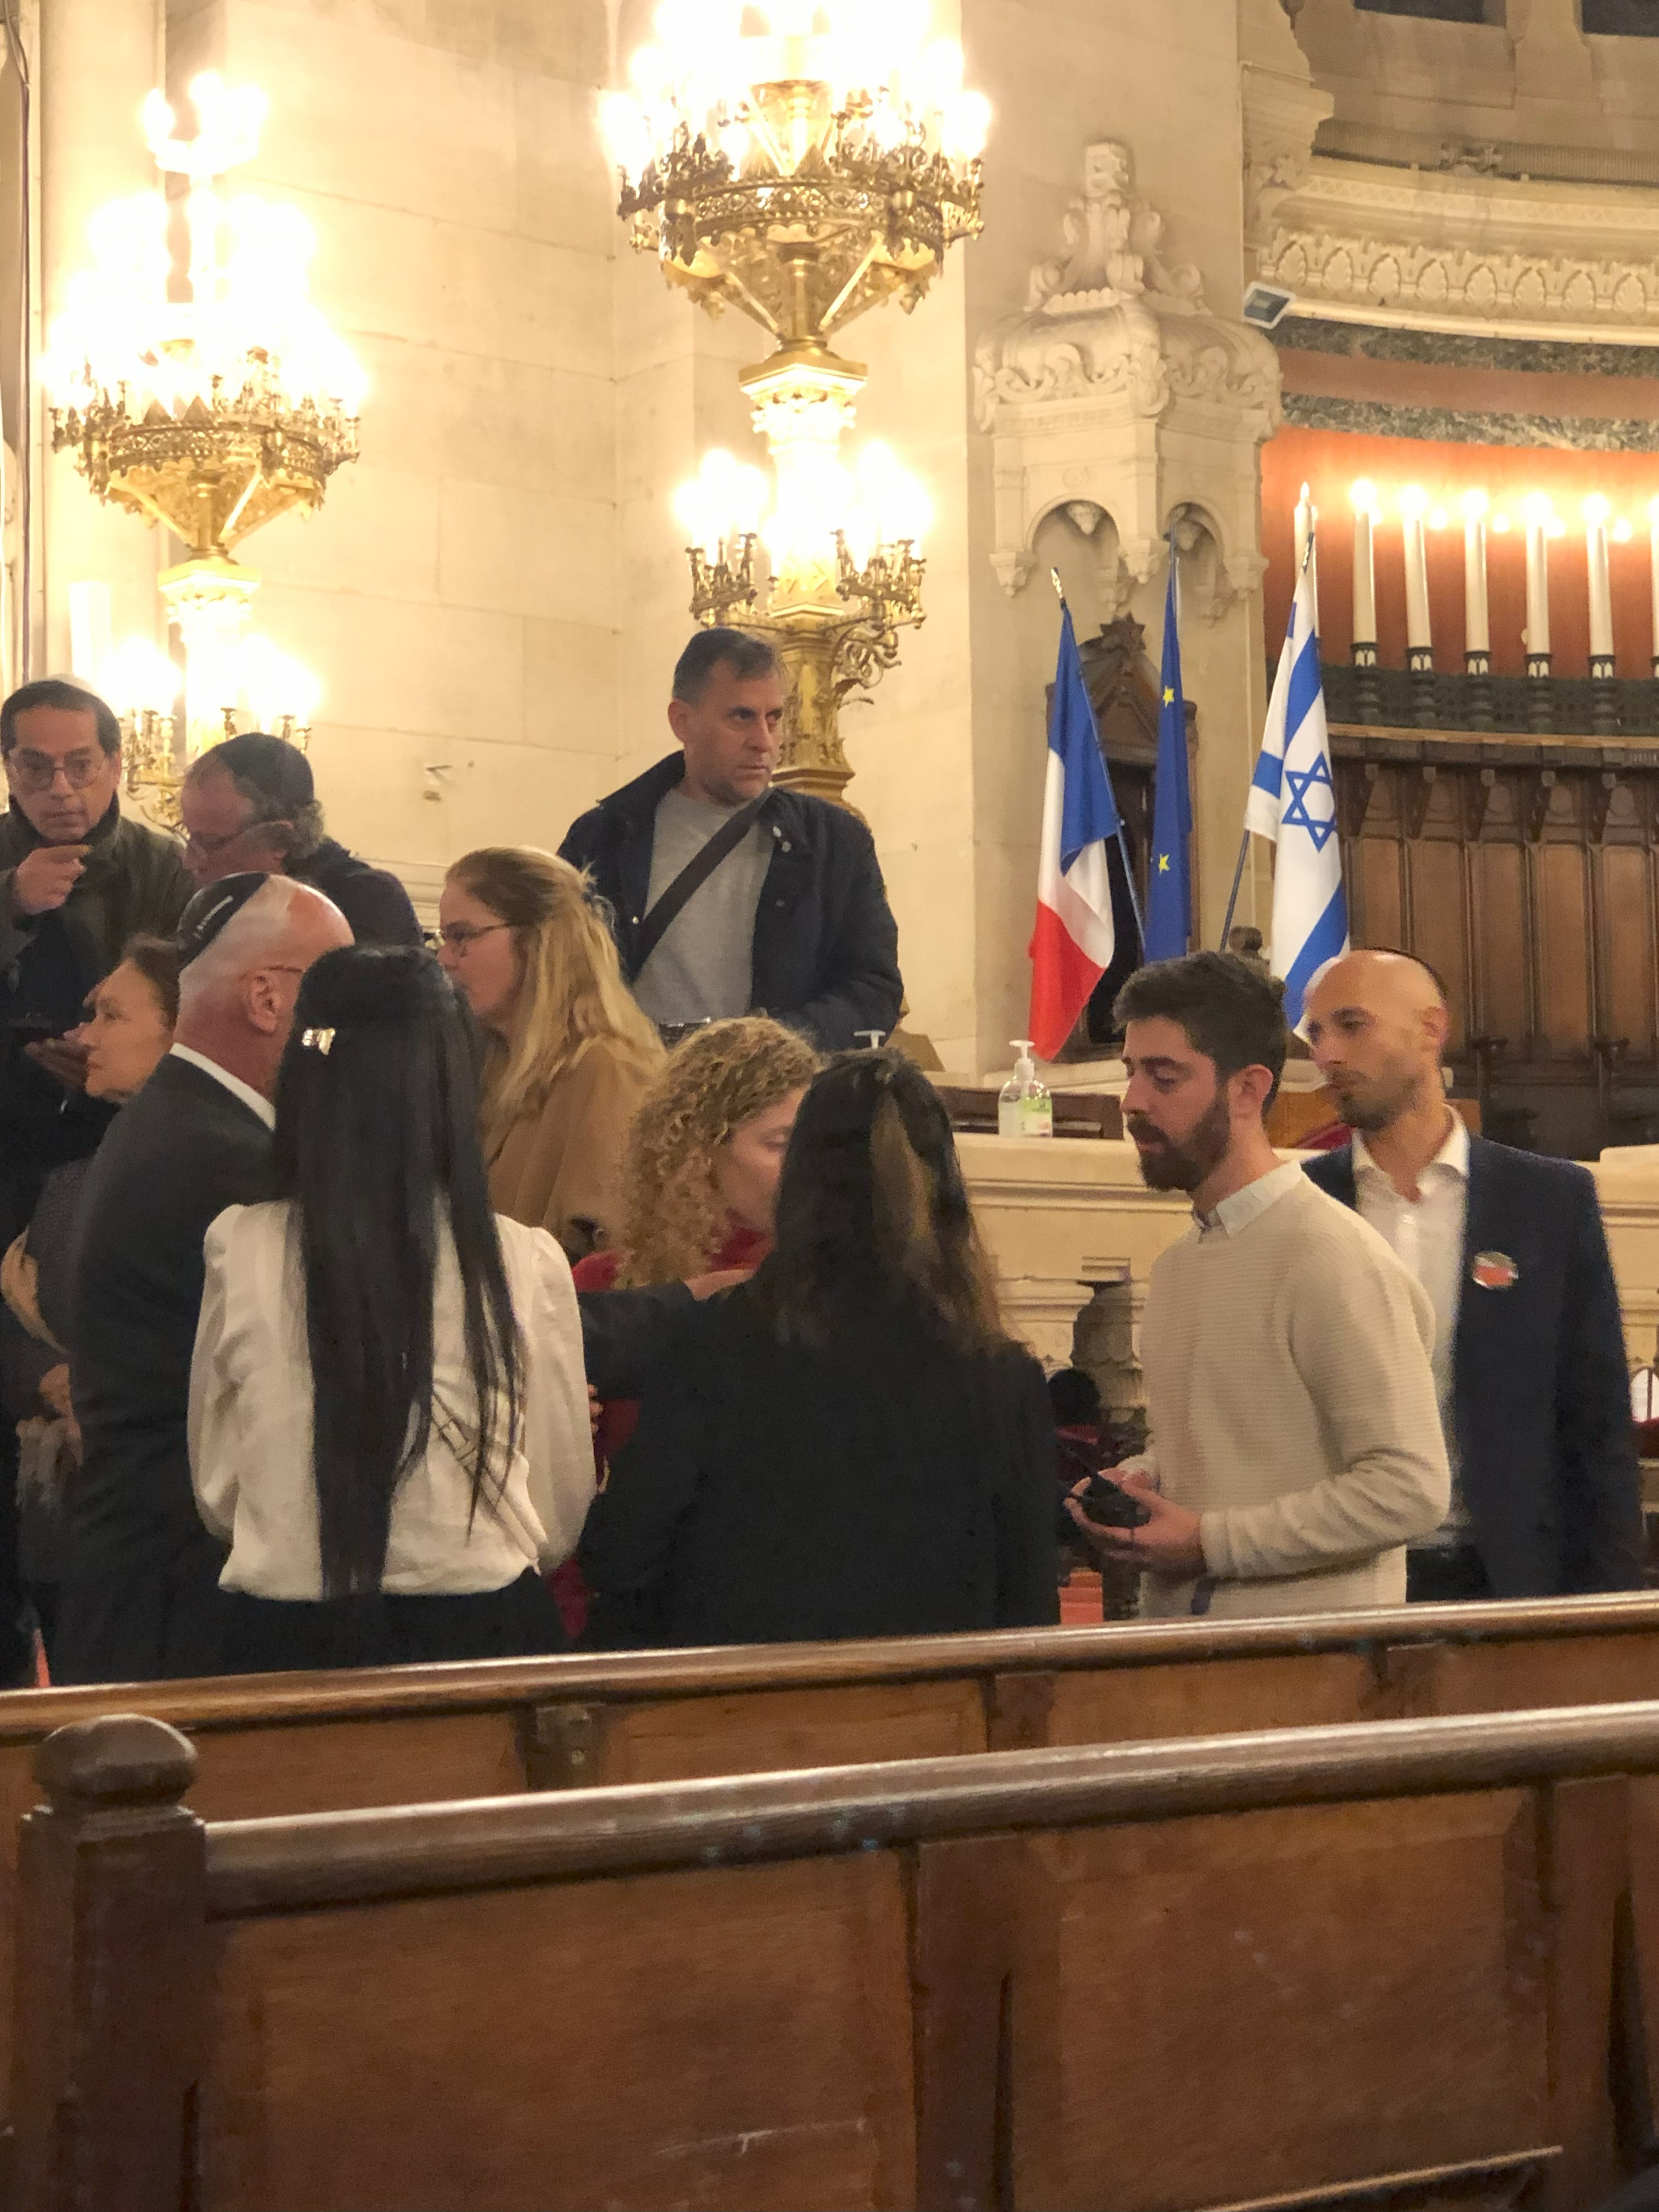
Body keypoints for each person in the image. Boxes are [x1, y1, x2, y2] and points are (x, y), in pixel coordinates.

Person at [189, 947, 594, 1673]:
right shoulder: (521, 1261)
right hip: (485, 1636)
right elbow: (557, 1510)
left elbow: (219, 1487)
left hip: (284, 1640)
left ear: (305, 1073)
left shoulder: (241, 1245)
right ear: (453, 1083)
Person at [579, 1051, 1059, 1647]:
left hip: (736, 1712)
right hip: (937, 1717)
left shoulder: (715, 1342)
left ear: (801, 1182)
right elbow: (1032, 1609)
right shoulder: (1000, 1376)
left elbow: (620, 1557)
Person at [1068, 951, 1449, 1620]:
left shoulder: (1330, 1255)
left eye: (1165, 1077)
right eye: (1132, 1074)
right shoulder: (1182, 1264)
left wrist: (1212, 1543)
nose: (1133, 1102)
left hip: (1308, 1671)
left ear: (1246, 1090)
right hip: (1193, 1658)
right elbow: (1233, 1450)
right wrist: (1147, 1479)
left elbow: (1409, 1488)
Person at [55, 873, 353, 1683]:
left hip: (147, 1569)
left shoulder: (180, 1119)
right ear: (267, 999)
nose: (347, 1027)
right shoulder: (227, 1157)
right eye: (336, 990)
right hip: (180, 1595)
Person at [1301, 948, 1643, 1602]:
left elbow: (1594, 1416)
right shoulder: (1303, 1203)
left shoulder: (1546, 1199)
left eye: (1351, 1025)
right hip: (1340, 1573)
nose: (1327, 1055)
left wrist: (1611, 1608)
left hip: (1503, 1573)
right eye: (1316, 1033)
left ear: (1432, 1029)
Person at [558, 627, 903, 1049]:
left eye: (774, 718)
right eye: (741, 717)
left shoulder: (834, 842)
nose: (764, 742)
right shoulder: (605, 837)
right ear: (682, 721)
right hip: (636, 1093)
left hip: (778, 1096)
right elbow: (556, 976)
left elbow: (872, 989)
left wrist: (768, 1047)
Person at [0, 935, 180, 1667]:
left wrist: (96, 1395)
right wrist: (44, 1375)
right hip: (63, 1512)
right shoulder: (77, 1160)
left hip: (153, 1518)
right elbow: (16, 1307)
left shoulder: (213, 1161)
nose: (83, 1036)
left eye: (111, 1016)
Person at [0, 679, 191, 1247]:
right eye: (36, 767)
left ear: (114, 764)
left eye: (80, 765)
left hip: (118, 1136)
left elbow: (193, 1000)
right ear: (9, 768)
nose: (61, 789)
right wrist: (9, 901)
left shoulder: (168, 869)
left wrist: (112, 1056)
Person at [437, 845, 662, 1261]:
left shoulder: (607, 1070)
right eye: (443, 938)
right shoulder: (494, 1061)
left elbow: (614, 1260)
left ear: (538, 941)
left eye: (462, 936)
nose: (444, 958)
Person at [178, 730, 422, 948]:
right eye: (188, 835)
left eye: (209, 842)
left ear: (279, 840)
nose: (190, 862)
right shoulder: (211, 903)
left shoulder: (370, 905)